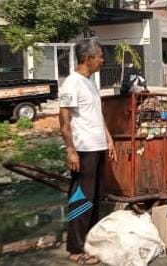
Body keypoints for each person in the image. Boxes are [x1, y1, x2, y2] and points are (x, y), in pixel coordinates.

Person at [59, 39, 117, 265]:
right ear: (87, 58)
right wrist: (70, 150)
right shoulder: (71, 84)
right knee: (80, 198)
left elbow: (97, 116)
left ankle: (88, 243)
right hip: (83, 150)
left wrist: (109, 139)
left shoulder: (90, 82)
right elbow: (63, 120)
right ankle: (75, 249)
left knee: (95, 198)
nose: (102, 60)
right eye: (99, 55)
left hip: (98, 147)